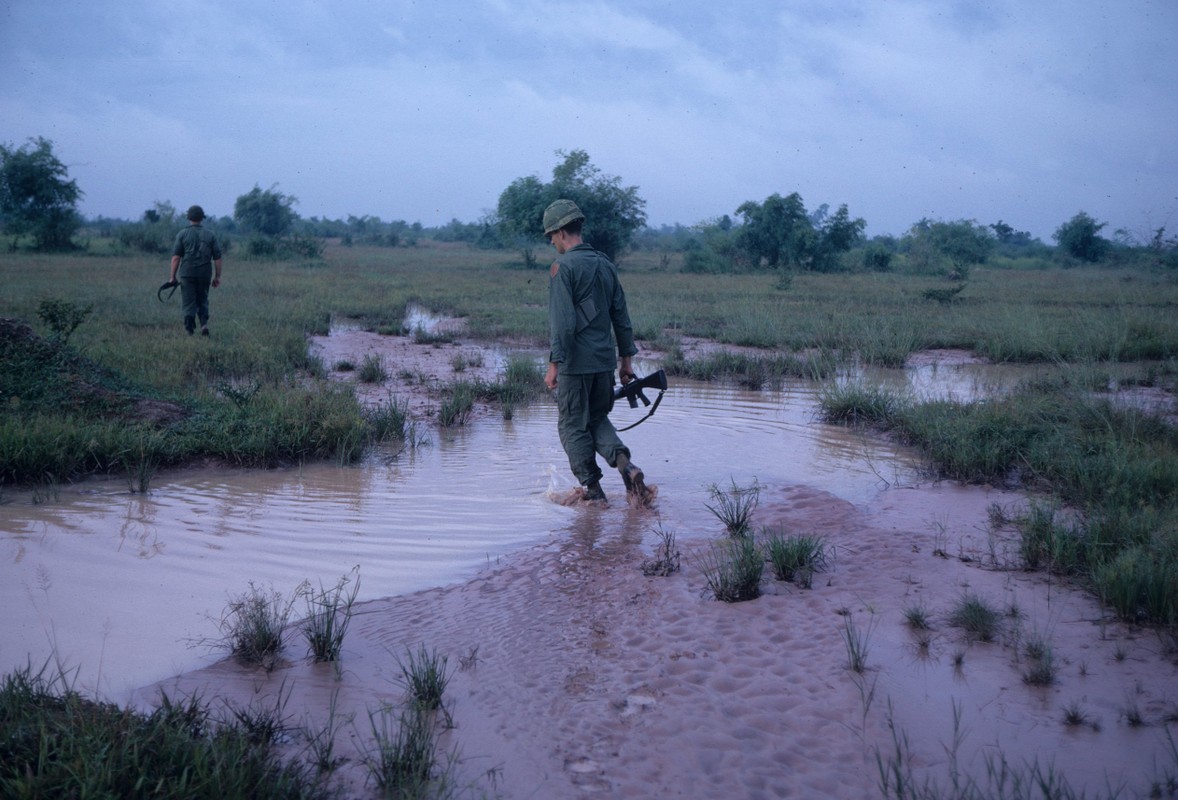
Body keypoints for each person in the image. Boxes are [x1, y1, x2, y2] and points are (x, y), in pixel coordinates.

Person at [543, 198, 650, 504]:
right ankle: (626, 466)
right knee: (597, 419)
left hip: (575, 366)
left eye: (551, 234)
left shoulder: (562, 268)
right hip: (604, 363)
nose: (551, 241)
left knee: (572, 425)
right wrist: (625, 363)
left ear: (563, 232)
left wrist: (554, 366)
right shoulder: (605, 264)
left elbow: (563, 325)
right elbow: (622, 317)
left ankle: (593, 493)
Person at [169, 205, 223, 336]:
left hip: (187, 273)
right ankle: (204, 324)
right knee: (203, 299)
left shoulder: (182, 234)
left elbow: (176, 258)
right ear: (202, 218)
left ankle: (189, 330)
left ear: (189, 218)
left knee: (188, 301)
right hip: (205, 273)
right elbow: (218, 258)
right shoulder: (211, 235)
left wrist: (172, 277)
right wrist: (217, 277)